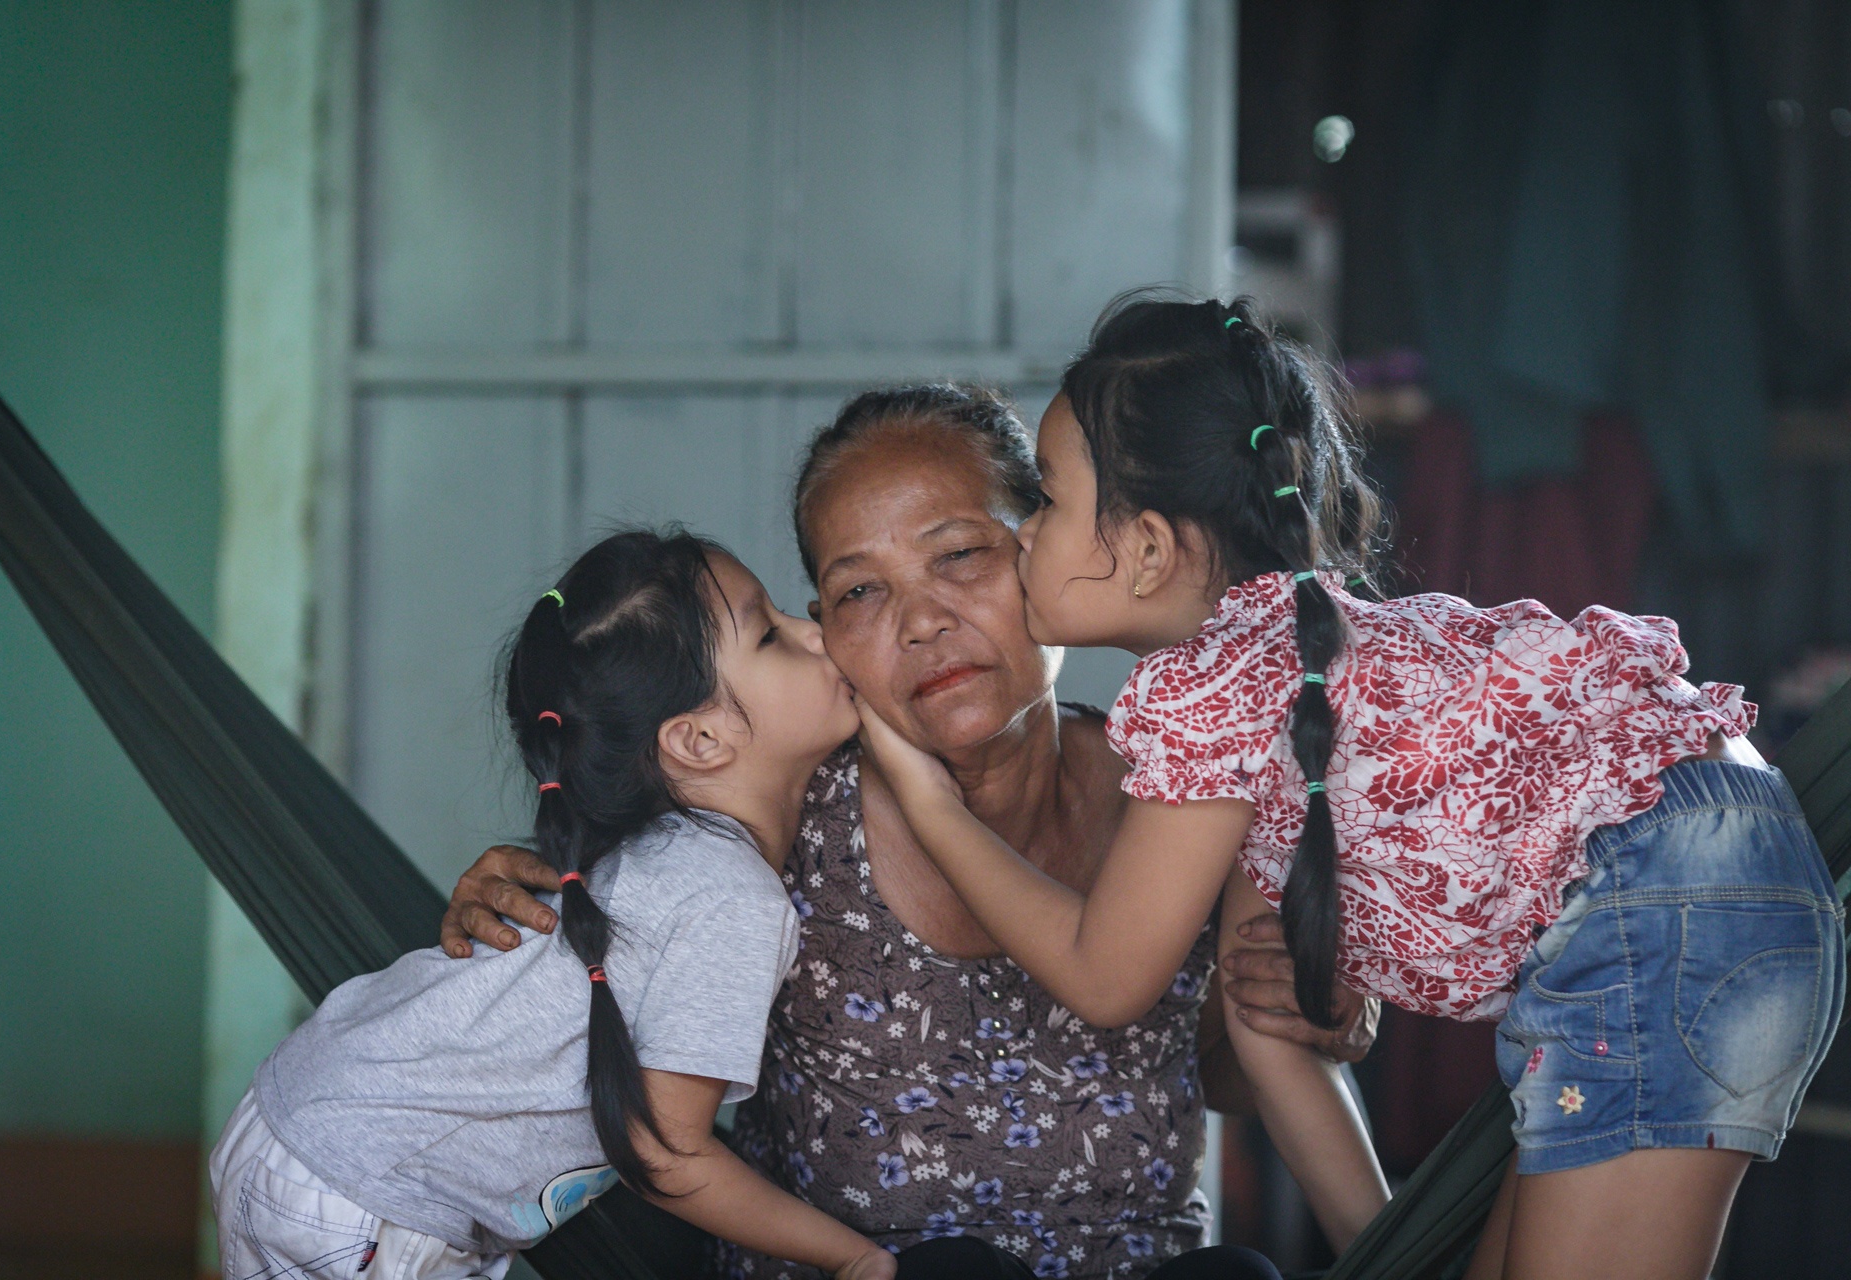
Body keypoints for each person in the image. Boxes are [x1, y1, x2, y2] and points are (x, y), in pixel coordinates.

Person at [857, 293, 1846, 1280]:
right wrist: (1388, 1260)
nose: (1023, 534)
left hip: (1659, 904)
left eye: (1049, 499)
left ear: (1149, 547)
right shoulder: (1304, 675)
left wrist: (929, 802)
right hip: (1698, 889)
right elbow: (1269, 1020)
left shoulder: (1210, 683)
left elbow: (1105, 975)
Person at [442, 385, 1381, 1279]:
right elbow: (598, 958)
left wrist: (1312, 1015)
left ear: (1045, 551)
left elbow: (1218, 1072)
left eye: (959, 555)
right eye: (860, 593)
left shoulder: (1180, 796)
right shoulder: (767, 835)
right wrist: (518, 887)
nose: (924, 623)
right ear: (823, 637)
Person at [210, 531, 895, 1280]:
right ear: (699, 739)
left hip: (325, 1136)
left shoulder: (671, 857)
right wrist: (856, 1258)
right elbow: (666, 1154)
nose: (814, 629)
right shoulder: (731, 899)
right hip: (362, 1187)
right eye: (771, 635)